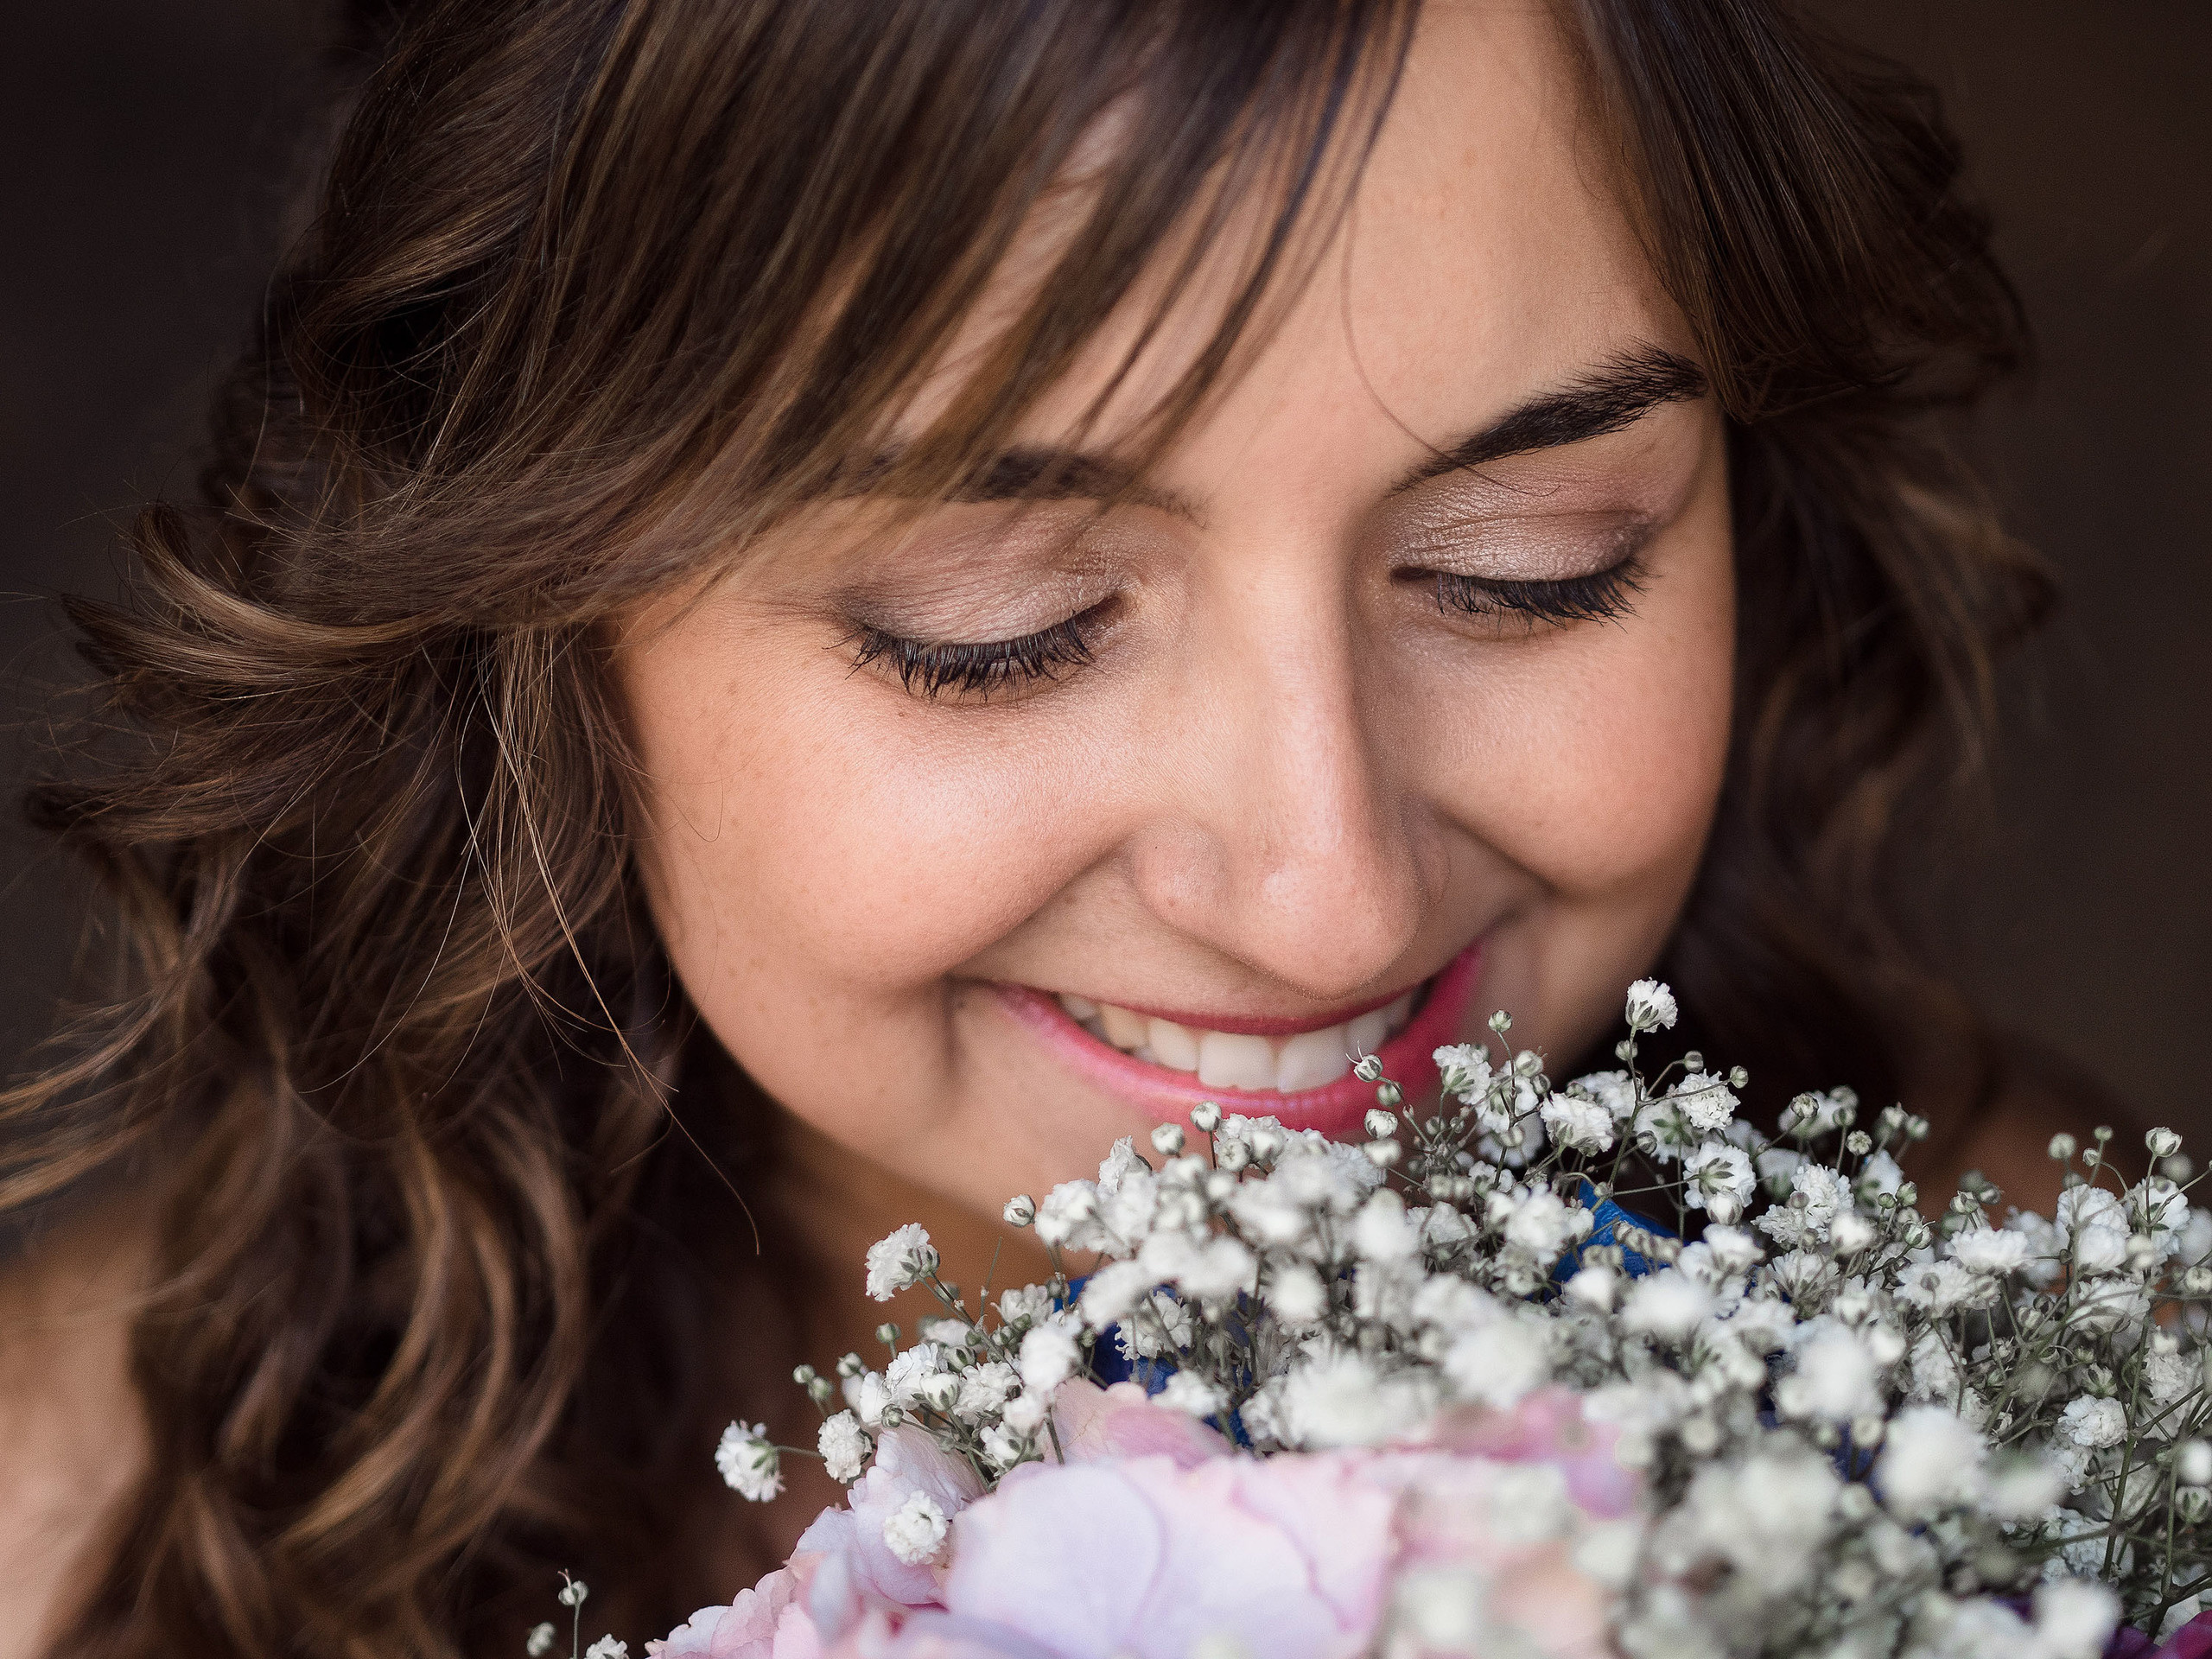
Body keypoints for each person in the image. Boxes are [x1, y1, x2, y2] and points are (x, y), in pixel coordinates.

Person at [0, 0, 2101, 1652]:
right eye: (995, 630)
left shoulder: (2053, 1409)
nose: (1325, 901)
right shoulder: (59, 1544)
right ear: (530, 617)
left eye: (1525, 561)